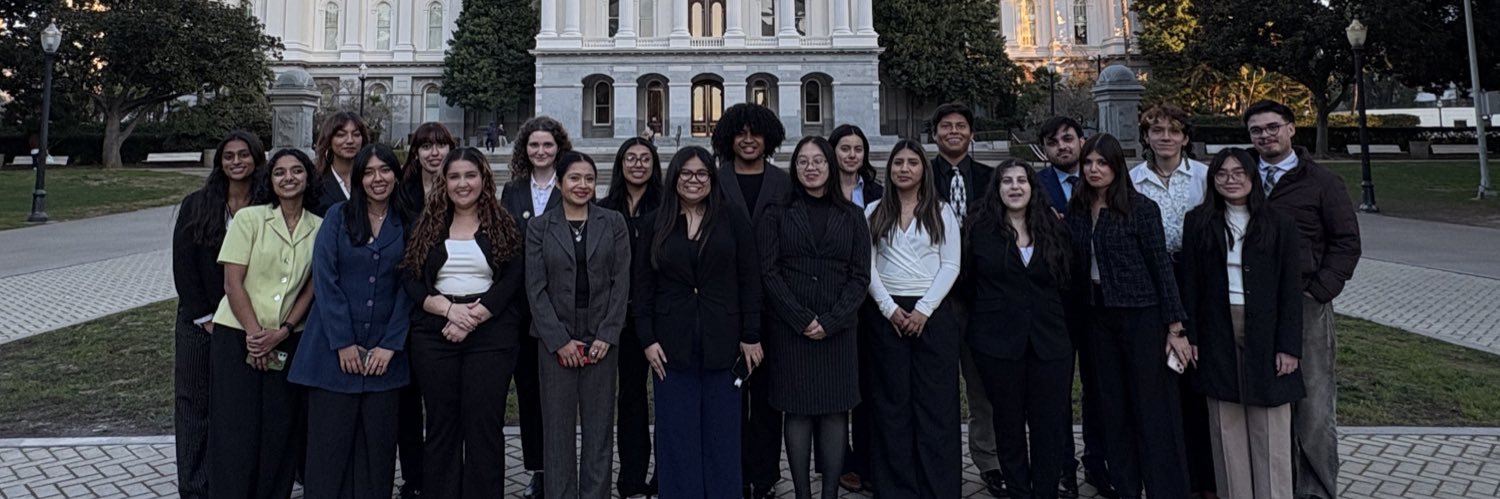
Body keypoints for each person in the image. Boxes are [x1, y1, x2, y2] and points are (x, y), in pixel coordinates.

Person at [1242, 100, 1360, 499]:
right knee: (1267, 401)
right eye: (1256, 130)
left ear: (1291, 129)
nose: (1265, 135)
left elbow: (1346, 242)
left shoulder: (1322, 182)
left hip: (1305, 301)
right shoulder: (1242, 175)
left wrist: (1320, 290)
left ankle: (1316, 489)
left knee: (1313, 402)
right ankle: (1276, 483)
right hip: (1252, 301)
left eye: (1273, 127)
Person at [632, 146, 764, 498]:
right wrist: (647, 339)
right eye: (686, 173)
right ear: (674, 177)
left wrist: (751, 334)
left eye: (701, 173)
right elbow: (642, 287)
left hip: (724, 342)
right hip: (670, 347)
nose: (694, 180)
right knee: (677, 437)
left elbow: (750, 279)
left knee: (723, 436)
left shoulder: (732, 219)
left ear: (712, 178)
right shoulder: (654, 223)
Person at [1066, 133, 1190, 499]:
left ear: (1116, 166)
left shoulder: (1140, 208)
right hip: (1095, 316)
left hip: (1140, 315)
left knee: (1151, 407)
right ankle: (1126, 487)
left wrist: (1175, 326)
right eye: (1088, 163)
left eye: (1102, 163)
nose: (1094, 170)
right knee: (1112, 406)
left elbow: (1160, 266)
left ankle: (1165, 490)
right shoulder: (1077, 209)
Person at [401, 147, 526, 499]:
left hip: (491, 336)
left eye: (470, 175)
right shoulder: (426, 224)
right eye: (454, 176)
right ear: (444, 181)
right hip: (435, 334)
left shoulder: (503, 223)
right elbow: (409, 277)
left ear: (484, 179)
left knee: (484, 424)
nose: (462, 183)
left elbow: (513, 278)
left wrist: (473, 316)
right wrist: (445, 309)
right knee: (442, 425)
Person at [1181, 147, 1305, 499]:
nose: (1230, 180)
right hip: (1216, 327)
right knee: (1226, 424)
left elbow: (1290, 289)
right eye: (1222, 174)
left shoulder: (1279, 223)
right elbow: (1190, 283)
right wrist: (1191, 335)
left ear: (1252, 177)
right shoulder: (1198, 222)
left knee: (1270, 423)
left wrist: (1288, 346)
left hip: (1266, 329)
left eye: (1238, 173)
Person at [289, 143, 411, 498]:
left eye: (385, 170)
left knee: (377, 457)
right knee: (329, 454)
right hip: (332, 356)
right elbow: (325, 280)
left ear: (396, 175)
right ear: (358, 178)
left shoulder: (408, 221)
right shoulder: (337, 217)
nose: (377, 178)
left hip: (384, 360)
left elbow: (410, 288)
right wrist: (343, 342)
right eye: (368, 172)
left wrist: (390, 345)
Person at [759, 136, 872, 499]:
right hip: (791, 328)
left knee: (836, 411)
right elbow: (769, 271)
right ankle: (803, 494)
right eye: (803, 161)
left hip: (838, 329)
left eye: (818, 161)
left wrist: (832, 320)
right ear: (794, 168)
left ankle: (830, 495)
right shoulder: (777, 212)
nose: (811, 168)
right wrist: (801, 318)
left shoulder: (853, 215)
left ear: (830, 166)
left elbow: (860, 275)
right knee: (797, 412)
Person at [208, 148, 323, 499]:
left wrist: (284, 330)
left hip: (287, 338)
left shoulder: (320, 227)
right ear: (270, 180)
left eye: (297, 171)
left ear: (308, 177)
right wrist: (256, 335)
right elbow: (233, 283)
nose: (289, 178)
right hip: (238, 335)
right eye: (280, 172)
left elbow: (311, 287)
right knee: (235, 428)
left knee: (279, 428)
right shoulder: (250, 220)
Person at [961, 159, 1075, 499]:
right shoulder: (979, 230)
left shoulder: (1055, 228)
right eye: (1006, 181)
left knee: (1048, 425)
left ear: (1032, 187)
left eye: (1021, 180)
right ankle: (1019, 491)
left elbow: (1068, 283)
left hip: (1049, 342)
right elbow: (968, 284)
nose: (1014, 187)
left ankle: (1045, 491)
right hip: (997, 343)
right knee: (1007, 424)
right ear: (996, 189)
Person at [526, 151, 632, 499]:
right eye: (574, 178)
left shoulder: (613, 223)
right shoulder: (540, 227)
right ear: (559, 183)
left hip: (601, 334)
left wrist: (607, 334)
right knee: (557, 429)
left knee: (599, 427)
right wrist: (559, 340)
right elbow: (535, 288)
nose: (582, 185)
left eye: (589, 178)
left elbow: (621, 282)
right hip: (555, 337)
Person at [865, 139, 962, 499]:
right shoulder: (874, 211)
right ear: (889, 169)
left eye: (912, 162)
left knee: (936, 405)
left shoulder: (942, 211)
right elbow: (867, 265)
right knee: (891, 405)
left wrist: (924, 309)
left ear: (924, 169)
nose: (904, 169)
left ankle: (938, 487)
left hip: (932, 313)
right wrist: (889, 308)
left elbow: (951, 264)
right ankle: (896, 488)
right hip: (886, 313)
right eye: (898, 163)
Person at [171, 131, 266, 499]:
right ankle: (194, 487)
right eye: (229, 156)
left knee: (237, 407)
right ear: (220, 162)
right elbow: (184, 267)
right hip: (200, 323)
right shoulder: (197, 205)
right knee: (194, 405)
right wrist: (206, 317)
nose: (236, 162)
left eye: (244, 155)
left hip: (248, 323)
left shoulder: (267, 205)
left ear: (256, 159)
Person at [1128, 104, 1214, 498]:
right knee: (1164, 379)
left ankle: (1206, 476)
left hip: (1196, 277)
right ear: (1146, 137)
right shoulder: (1133, 181)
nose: (1165, 137)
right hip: (1152, 280)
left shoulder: (1204, 177)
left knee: (1198, 376)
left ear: (1185, 137)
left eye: (1173, 131)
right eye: (1157, 130)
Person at [710, 102, 789, 499]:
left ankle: (766, 476)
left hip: (775, 305)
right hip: (726, 304)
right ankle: (734, 474)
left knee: (768, 399)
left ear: (767, 137)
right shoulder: (715, 180)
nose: (747, 140)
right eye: (740, 133)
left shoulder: (784, 183)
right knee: (731, 397)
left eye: (755, 133)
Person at [1034, 116, 1114, 499]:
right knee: (1055, 392)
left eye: (1068, 139)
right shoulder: (1035, 185)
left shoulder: (1103, 181)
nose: (1062, 146)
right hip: (1056, 305)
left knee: (1100, 387)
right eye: (1053, 142)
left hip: (1100, 303)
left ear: (1082, 141)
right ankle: (1062, 467)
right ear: (1044, 150)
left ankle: (1099, 462)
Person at [926, 102, 1003, 497]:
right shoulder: (921, 176)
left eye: (960, 126)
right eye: (946, 126)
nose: (953, 131)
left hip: (982, 297)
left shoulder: (992, 180)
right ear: (934, 134)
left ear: (971, 133)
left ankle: (989, 462)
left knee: (983, 388)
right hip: (935, 300)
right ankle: (940, 466)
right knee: (938, 389)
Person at [502, 115, 574, 499]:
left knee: (560, 397)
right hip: (522, 310)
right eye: (534, 145)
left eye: (548, 144)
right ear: (524, 149)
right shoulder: (513, 190)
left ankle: (563, 467)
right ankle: (538, 470)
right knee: (530, 393)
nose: (541, 151)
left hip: (562, 307)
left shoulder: (571, 184)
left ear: (559, 148)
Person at [392, 121, 457, 499]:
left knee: (443, 403)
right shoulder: (404, 194)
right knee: (408, 399)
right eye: (426, 146)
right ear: (415, 153)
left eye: (441, 145)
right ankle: (414, 477)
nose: (434, 152)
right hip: (410, 301)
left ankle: (442, 476)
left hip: (450, 307)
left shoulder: (460, 186)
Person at [598, 137, 664, 498]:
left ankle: (667, 474)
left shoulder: (668, 207)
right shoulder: (604, 209)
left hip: (661, 317)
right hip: (621, 319)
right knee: (631, 398)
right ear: (620, 164)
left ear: (654, 165)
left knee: (668, 398)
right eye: (631, 158)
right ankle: (632, 477)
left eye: (645, 158)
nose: (638, 164)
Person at [826, 124, 882, 494]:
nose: (851, 155)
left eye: (857, 149)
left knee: (869, 384)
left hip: (873, 300)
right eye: (844, 148)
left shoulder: (878, 194)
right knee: (834, 385)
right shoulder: (820, 190)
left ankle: (867, 460)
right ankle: (837, 461)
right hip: (832, 298)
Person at [313, 111, 371, 216]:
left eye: (356, 134)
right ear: (329, 140)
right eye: (341, 135)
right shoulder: (316, 183)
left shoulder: (373, 179)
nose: (350, 140)